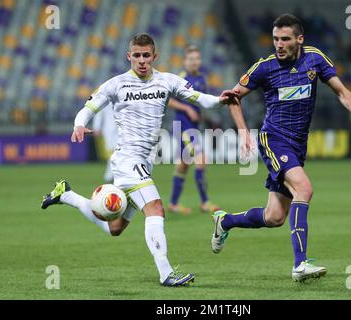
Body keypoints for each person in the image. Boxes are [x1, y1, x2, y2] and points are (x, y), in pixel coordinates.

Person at [41, 33, 237, 287]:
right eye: (137, 55)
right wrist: (79, 125)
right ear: (129, 56)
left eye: (147, 55)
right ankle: (166, 273)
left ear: (154, 56)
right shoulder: (116, 84)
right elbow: (90, 106)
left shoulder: (167, 81)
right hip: (127, 160)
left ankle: (66, 195)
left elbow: (199, 98)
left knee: (115, 228)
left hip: (144, 163)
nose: (142, 61)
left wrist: (221, 101)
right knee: (155, 208)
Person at [211, 14, 351, 282]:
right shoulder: (264, 67)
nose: (278, 44)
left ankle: (225, 221)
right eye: (275, 38)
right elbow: (232, 97)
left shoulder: (315, 59)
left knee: (275, 216)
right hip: (273, 138)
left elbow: (342, 91)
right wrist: (243, 131)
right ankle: (300, 265)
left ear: (299, 39)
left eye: (285, 39)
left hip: (298, 144)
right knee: (304, 188)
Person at [167, 45, 220, 214]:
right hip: (183, 126)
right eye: (191, 59)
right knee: (201, 159)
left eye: (197, 58)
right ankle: (205, 202)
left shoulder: (202, 79)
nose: (194, 62)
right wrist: (187, 109)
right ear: (185, 61)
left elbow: (199, 103)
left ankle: (173, 203)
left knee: (183, 165)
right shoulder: (181, 78)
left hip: (194, 127)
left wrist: (203, 116)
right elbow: (168, 100)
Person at [92, 102, 117, 183]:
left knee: (118, 151)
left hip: (121, 127)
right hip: (108, 129)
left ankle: (110, 174)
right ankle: (110, 174)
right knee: (112, 151)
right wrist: (96, 127)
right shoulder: (106, 95)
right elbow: (99, 112)